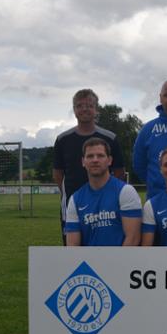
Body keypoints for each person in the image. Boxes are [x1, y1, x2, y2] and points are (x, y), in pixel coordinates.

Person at [53, 88, 125, 245]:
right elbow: (58, 174)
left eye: (89, 105)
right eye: (80, 106)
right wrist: (71, 195)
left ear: (96, 109)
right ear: (74, 110)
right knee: (74, 251)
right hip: (73, 205)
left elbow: (119, 172)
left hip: (106, 206)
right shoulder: (62, 139)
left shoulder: (110, 138)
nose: (84, 109)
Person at [65, 138, 142, 246]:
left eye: (100, 156)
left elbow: (133, 239)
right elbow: (72, 245)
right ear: (83, 162)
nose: (95, 160)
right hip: (89, 257)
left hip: (121, 257)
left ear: (109, 160)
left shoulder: (126, 192)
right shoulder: (75, 199)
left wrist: (116, 258)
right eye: (90, 156)